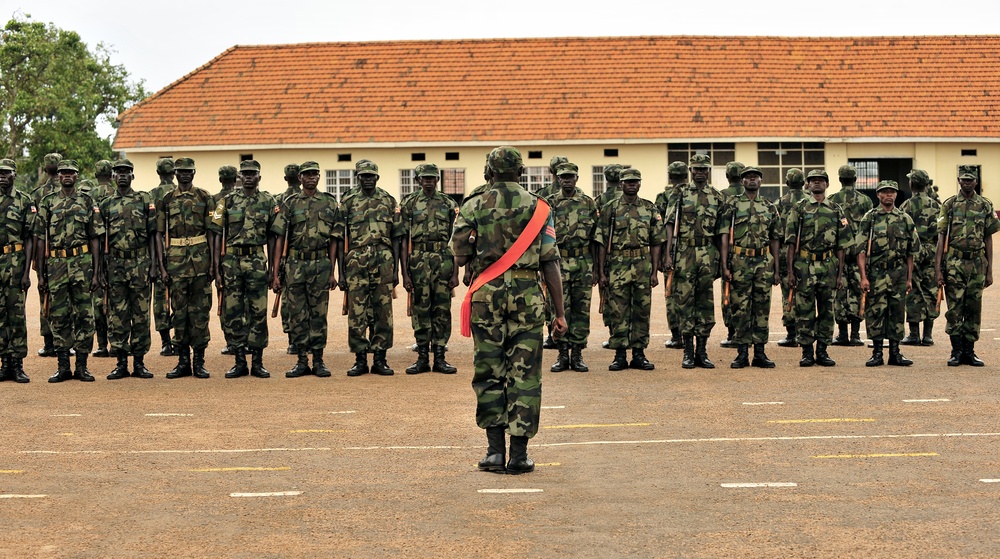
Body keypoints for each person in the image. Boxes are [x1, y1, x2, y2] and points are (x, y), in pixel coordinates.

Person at [451, 145, 566, 475]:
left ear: (489, 171)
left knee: (489, 370)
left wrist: (477, 243)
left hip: (487, 295)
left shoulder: (473, 204)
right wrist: (559, 313)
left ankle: (494, 453)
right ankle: (518, 456)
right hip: (528, 295)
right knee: (525, 373)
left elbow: (459, 256)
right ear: (521, 172)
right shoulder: (539, 207)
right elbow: (550, 262)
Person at [35, 159, 103, 382]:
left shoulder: (87, 201)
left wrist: (96, 272)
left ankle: (82, 366)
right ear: (58, 176)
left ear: (76, 176)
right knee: (59, 315)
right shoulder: (47, 202)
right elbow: (40, 239)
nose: (66, 176)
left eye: (70, 173)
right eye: (63, 172)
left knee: (85, 315)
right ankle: (63, 366)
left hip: (82, 264)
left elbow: (95, 238)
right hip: (55, 265)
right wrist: (41, 274)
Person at [212, 160, 281, 379]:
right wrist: (216, 268)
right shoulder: (225, 201)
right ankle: (239, 360)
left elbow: (274, 236)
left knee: (258, 312)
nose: (249, 177)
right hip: (231, 261)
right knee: (233, 312)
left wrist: (273, 268)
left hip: (256, 260)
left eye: (253, 174)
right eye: (245, 174)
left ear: (259, 177)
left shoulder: (269, 202)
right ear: (240, 177)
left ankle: (258, 362)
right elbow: (215, 233)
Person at [335, 160, 404, 377]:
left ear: (377, 177)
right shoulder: (347, 201)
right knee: (357, 312)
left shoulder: (388, 200)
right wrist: (341, 272)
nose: (368, 179)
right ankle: (360, 359)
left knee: (383, 311)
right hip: (355, 260)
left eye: (371, 175)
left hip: (383, 260)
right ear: (358, 177)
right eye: (364, 176)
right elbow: (339, 238)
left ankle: (381, 359)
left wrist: (395, 270)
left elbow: (397, 238)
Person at [273, 161, 338, 378]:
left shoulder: (329, 203)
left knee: (319, 313)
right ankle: (301, 360)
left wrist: (332, 271)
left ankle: (318, 360)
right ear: (300, 178)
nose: (311, 178)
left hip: (320, 263)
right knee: (297, 313)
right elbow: (280, 237)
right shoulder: (290, 203)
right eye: (306, 175)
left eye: (314, 174)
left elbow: (334, 240)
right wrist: (275, 272)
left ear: (319, 177)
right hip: (295, 264)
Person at [596, 167, 664, 371]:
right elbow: (600, 241)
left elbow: (657, 240)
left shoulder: (649, 208)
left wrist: (654, 271)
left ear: (640, 183)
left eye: (635, 181)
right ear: (621, 184)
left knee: (642, 310)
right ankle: (619, 355)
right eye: (628, 181)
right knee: (618, 310)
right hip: (618, 264)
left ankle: (639, 354)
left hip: (642, 264)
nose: (632, 184)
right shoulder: (610, 208)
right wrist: (601, 272)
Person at [664, 154, 726, 369]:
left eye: (704, 169)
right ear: (690, 171)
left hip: (707, 251)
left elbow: (721, 233)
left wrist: (721, 259)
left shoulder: (717, 197)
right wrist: (668, 254)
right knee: (684, 302)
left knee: (705, 303)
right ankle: (688, 352)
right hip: (685, 252)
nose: (700, 172)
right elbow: (670, 224)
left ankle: (702, 350)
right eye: (696, 169)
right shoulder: (679, 193)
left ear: (708, 171)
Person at [156, 157, 216, 379]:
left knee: (200, 313)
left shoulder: (206, 197)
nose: (184, 175)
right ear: (175, 173)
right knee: (179, 313)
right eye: (180, 171)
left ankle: (199, 362)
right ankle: (182, 362)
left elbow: (213, 231)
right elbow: (159, 234)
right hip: (177, 262)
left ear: (194, 172)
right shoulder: (167, 199)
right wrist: (162, 267)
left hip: (201, 261)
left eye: (188, 171)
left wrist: (213, 264)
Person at [785, 169, 851, 367]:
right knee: (804, 311)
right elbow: (790, 242)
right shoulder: (799, 208)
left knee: (826, 311)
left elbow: (841, 245)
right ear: (807, 184)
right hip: (804, 266)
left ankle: (822, 350)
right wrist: (790, 271)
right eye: (812, 181)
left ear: (827, 185)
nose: (816, 184)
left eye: (820, 181)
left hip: (828, 266)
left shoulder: (836, 209)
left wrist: (840, 274)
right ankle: (806, 352)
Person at [935, 165, 1000, 366]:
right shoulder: (950, 204)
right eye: (963, 179)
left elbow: (988, 237)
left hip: (977, 263)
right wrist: (938, 269)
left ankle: (969, 352)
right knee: (954, 308)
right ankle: (956, 351)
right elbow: (941, 237)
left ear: (976, 181)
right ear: (959, 181)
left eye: (970, 180)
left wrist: (990, 269)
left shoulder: (985, 205)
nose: (967, 183)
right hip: (954, 262)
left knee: (973, 307)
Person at [100, 159, 157, 379]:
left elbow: (153, 234)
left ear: (132, 176)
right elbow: (101, 239)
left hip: (140, 263)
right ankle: (121, 362)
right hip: (115, 264)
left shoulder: (144, 199)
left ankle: (140, 363)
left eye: (126, 172)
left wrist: (153, 263)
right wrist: (101, 269)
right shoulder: (106, 204)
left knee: (141, 314)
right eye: (118, 172)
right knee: (118, 314)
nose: (122, 176)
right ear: (113, 176)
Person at [400, 163, 459, 374]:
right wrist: (405, 273)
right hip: (418, 259)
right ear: (418, 180)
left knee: (442, 309)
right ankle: (423, 356)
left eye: (433, 178)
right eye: (425, 178)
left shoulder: (448, 203)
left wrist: (455, 272)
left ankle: (440, 356)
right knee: (421, 308)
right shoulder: (409, 203)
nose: (429, 181)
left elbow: (455, 239)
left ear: (438, 180)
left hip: (443, 258)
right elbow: (403, 240)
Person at [719, 166, 780, 368]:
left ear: (761, 181)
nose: (751, 180)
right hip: (740, 261)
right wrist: (725, 265)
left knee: (762, 307)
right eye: (747, 177)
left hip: (763, 261)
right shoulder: (732, 205)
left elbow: (775, 239)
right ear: (742, 181)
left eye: (755, 177)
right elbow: (724, 236)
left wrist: (777, 268)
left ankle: (760, 352)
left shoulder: (769, 207)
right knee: (740, 307)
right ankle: (742, 352)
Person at [858, 180, 919, 367]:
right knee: (875, 312)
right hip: (876, 273)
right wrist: (863, 277)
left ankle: (895, 353)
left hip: (898, 273)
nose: (888, 195)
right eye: (884, 192)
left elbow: (911, 252)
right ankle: (877, 353)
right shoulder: (870, 218)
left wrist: (909, 278)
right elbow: (860, 251)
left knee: (897, 312)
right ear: (878, 195)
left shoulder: (905, 218)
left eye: (892, 192)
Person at [546, 162, 598, 372]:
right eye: (563, 177)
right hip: (558, 262)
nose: (566, 180)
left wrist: (596, 269)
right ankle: (561, 354)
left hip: (583, 262)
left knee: (581, 310)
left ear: (577, 178)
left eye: (570, 176)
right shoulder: (550, 204)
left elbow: (596, 239)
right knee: (558, 308)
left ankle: (577, 354)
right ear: (558, 179)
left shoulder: (588, 203)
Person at [829, 164, 872, 347]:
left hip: (839, 254)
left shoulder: (832, 200)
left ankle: (842, 334)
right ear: (855, 179)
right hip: (858, 255)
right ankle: (855, 334)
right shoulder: (865, 201)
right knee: (857, 291)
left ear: (839, 179)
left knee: (839, 293)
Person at [0, 159, 34, 383]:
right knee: (0, 316)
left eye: (6, 173)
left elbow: (30, 237)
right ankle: (4, 364)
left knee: (17, 315)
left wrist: (26, 272)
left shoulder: (24, 201)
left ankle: (18, 364)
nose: (2, 176)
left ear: (15, 174)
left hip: (16, 261)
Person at [899, 169, 940, 346]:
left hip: (913, 252)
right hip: (932, 251)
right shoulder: (937, 206)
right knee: (931, 290)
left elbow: (901, 232)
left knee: (913, 290)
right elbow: (942, 233)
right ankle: (928, 334)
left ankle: (914, 334)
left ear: (911, 184)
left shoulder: (906, 206)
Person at [655, 161, 688, 349]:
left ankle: (676, 335)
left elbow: (660, 228)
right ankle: (688, 331)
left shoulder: (663, 196)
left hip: (671, 248)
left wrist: (661, 256)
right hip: (688, 250)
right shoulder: (692, 194)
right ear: (686, 176)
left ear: (670, 176)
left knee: (671, 293)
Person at [32, 152, 62, 358]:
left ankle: (49, 341)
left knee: (46, 295)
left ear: (44, 167)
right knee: (63, 297)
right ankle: (64, 341)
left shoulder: (37, 193)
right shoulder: (69, 190)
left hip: (45, 251)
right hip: (63, 251)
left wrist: (35, 257)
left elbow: (35, 230)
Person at [776, 168, 807, 346]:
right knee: (805, 293)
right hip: (805, 253)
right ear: (803, 183)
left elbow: (777, 231)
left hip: (785, 251)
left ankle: (791, 333)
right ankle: (804, 331)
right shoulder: (809, 201)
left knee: (788, 291)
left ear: (787, 183)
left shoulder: (781, 202)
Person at [149, 157, 177, 357]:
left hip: (159, 254)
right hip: (181, 255)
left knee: (160, 299)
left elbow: (152, 232)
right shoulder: (181, 192)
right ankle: (179, 339)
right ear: (174, 173)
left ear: (158, 173)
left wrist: (154, 262)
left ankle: (166, 342)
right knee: (180, 299)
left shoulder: (150, 195)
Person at [598, 163, 626, 349]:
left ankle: (614, 333)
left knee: (610, 298)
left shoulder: (601, 200)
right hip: (625, 255)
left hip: (609, 256)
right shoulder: (625, 197)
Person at [718, 161, 745, 348]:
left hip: (728, 250)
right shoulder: (747, 196)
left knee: (728, 293)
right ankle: (745, 333)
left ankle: (731, 332)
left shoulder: (721, 196)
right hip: (746, 252)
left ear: (727, 176)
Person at [90, 160, 114, 358]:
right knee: (116, 301)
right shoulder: (117, 194)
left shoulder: (89, 196)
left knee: (98, 302)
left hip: (94, 255)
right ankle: (117, 343)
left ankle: (101, 344)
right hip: (115, 255)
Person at [279, 162, 302, 355]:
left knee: (289, 300)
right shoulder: (298, 200)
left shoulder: (280, 199)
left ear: (286, 178)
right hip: (297, 257)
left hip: (288, 257)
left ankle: (292, 339)